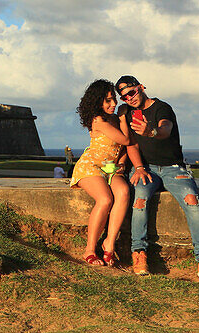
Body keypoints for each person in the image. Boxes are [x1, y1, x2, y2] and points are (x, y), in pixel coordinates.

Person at [116, 75, 199, 283]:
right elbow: (132, 144)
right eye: (124, 97)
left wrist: (150, 131)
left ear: (141, 87)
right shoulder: (130, 114)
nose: (130, 98)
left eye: (132, 92)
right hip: (148, 170)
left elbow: (165, 129)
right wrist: (139, 167)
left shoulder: (162, 108)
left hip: (173, 168)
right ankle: (139, 253)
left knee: (192, 201)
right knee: (139, 200)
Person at [70, 79, 133, 267]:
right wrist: (123, 118)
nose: (114, 104)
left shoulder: (112, 118)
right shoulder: (99, 120)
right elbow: (126, 140)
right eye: (108, 100)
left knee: (123, 192)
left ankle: (109, 244)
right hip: (90, 166)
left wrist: (121, 165)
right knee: (105, 199)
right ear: (97, 102)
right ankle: (89, 249)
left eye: (114, 99)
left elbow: (122, 149)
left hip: (110, 168)